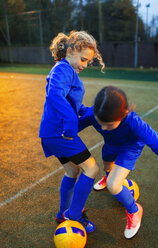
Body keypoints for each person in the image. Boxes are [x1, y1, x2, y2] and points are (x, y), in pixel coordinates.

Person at [39, 31, 105, 233]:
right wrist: (70, 124)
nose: (84, 64)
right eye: (83, 59)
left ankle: (63, 213)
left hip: (52, 134)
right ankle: (74, 216)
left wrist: (92, 112)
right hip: (60, 133)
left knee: (72, 170)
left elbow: (70, 103)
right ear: (70, 51)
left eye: (88, 61)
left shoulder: (66, 70)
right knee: (92, 169)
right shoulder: (63, 69)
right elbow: (55, 96)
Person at [78, 85, 158, 239]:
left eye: (109, 125)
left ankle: (134, 210)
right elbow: (75, 127)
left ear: (124, 114)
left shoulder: (134, 122)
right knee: (107, 166)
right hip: (110, 146)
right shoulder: (93, 114)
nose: (104, 128)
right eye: (100, 122)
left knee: (113, 185)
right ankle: (107, 176)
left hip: (129, 149)